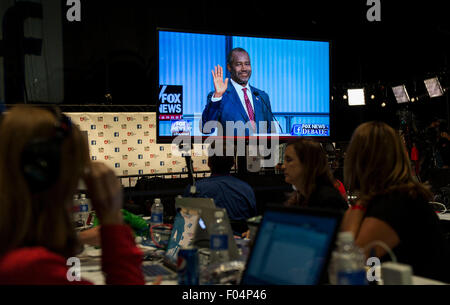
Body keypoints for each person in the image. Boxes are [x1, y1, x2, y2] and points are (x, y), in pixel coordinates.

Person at [0, 105, 144, 285]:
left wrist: (76, 238)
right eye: (75, 171)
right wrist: (112, 219)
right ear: (41, 175)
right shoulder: (30, 268)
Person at [340, 121, 450, 283]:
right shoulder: (395, 196)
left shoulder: (397, 202)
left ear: (358, 159)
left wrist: (359, 203)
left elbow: (348, 262)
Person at [201, 47, 276, 136]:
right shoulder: (220, 96)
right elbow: (206, 129)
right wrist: (218, 95)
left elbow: (271, 132)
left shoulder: (262, 96)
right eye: (239, 64)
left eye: (247, 64)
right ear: (229, 67)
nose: (244, 68)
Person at [183, 149, 257, 234]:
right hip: (240, 243)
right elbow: (253, 221)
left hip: (205, 243)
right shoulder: (246, 189)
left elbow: (185, 223)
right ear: (233, 164)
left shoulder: (195, 188)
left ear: (209, 163)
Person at [282, 138, 348, 211]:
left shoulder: (329, 201)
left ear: (308, 163)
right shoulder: (300, 197)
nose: (283, 166)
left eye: (289, 160)